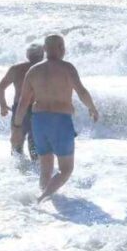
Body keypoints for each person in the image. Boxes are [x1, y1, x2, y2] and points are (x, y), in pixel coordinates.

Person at [14, 35, 99, 202]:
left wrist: (17, 127)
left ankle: (43, 204)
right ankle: (42, 198)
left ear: (45, 50)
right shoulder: (67, 68)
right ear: (61, 48)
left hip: (38, 121)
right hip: (59, 121)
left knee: (46, 169)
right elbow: (81, 91)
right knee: (66, 170)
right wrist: (92, 108)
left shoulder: (33, 71)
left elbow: (23, 102)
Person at [0, 43, 45, 160]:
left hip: (19, 110)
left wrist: (3, 105)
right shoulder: (46, 69)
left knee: (17, 145)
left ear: (27, 55)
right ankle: (35, 175)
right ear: (42, 55)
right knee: (35, 148)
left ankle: (17, 173)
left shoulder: (16, 69)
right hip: (39, 109)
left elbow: (0, 88)